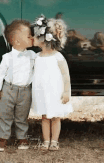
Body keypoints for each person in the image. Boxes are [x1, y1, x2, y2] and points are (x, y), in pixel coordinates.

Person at [0, 19, 36, 152]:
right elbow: (0, 73)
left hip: (25, 91)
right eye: (29, 36)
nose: (32, 38)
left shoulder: (33, 55)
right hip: (8, 89)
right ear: (16, 41)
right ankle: (2, 138)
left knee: (22, 116)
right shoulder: (7, 57)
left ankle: (22, 137)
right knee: (5, 115)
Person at [31, 15, 73, 151]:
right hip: (42, 92)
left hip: (55, 92)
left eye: (36, 36)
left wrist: (66, 92)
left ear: (44, 39)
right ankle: (46, 141)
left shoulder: (58, 56)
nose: (33, 38)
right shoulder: (36, 57)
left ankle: (54, 141)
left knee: (55, 117)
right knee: (44, 116)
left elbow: (66, 76)